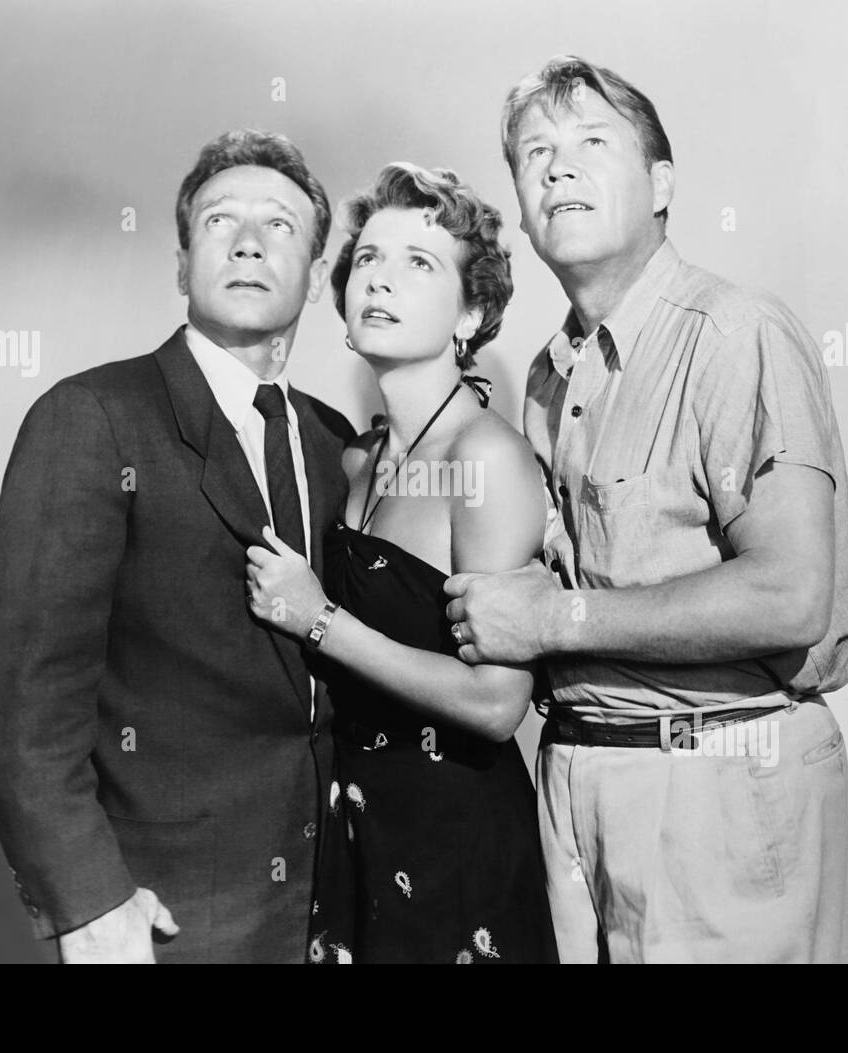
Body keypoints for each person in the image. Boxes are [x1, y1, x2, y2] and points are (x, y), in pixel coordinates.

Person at [444, 56, 848, 963]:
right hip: (577, 783)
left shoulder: (735, 332)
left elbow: (791, 595)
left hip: (719, 783)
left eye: (593, 143)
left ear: (663, 183)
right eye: (535, 153)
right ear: (520, 206)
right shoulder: (552, 375)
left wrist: (552, 616)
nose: (559, 168)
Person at [0, 129, 354, 963]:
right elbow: (21, 706)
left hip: (331, 910)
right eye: (220, 221)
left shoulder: (334, 440)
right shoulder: (92, 418)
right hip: (165, 915)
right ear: (183, 263)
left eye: (280, 225)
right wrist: (90, 904)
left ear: (319, 278)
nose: (249, 241)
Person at [245, 162, 558, 964]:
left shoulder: (487, 458)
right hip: (355, 839)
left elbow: (498, 704)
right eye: (370, 259)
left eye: (419, 264)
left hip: (457, 849)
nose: (380, 280)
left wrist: (320, 619)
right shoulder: (355, 458)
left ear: (473, 309)